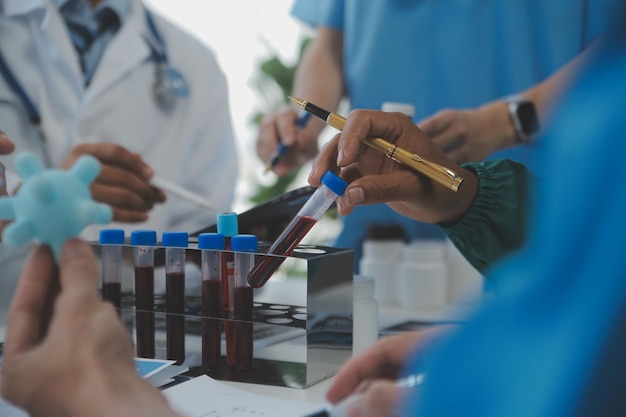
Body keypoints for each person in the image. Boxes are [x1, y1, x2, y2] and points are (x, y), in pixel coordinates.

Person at [256, 0, 615, 270]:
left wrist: (507, 122)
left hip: (524, 228)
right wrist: (305, 123)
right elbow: (330, 42)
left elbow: (616, 54)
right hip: (378, 241)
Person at [0, 0, 238, 320]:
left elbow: (204, 237)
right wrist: (40, 203)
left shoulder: (195, 63)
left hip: (139, 338)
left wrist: (131, 282)